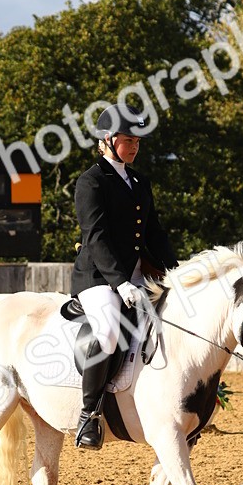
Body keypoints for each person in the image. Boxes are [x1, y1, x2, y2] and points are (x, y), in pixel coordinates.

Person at [71, 104, 178, 449]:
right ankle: (89, 416)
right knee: (108, 332)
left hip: (138, 276)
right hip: (99, 279)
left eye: (137, 141)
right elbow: (96, 236)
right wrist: (120, 282)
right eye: (128, 139)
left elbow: (154, 234)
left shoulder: (139, 181)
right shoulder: (91, 182)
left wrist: (178, 274)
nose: (134, 146)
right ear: (107, 140)